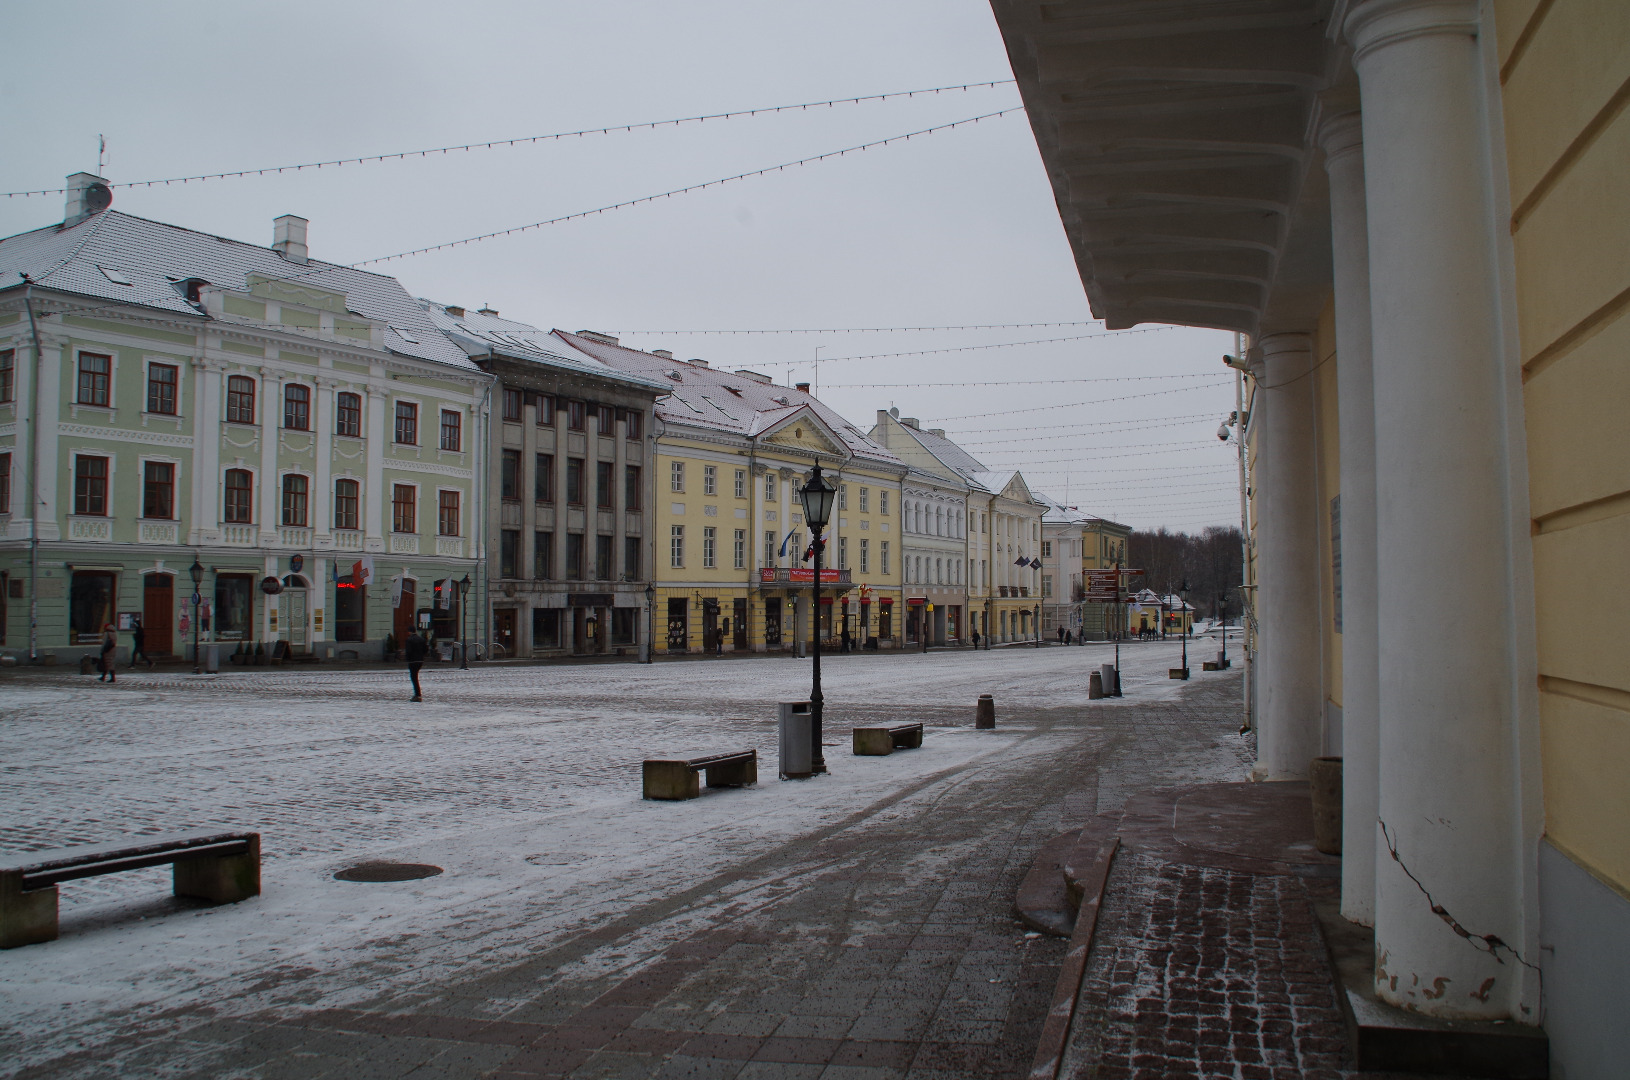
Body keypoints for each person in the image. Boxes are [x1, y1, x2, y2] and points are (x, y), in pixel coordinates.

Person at [404, 627, 428, 701]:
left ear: (409, 632)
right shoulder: (421, 639)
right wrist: (422, 656)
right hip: (420, 660)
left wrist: (407, 658)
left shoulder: (409, 640)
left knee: (413, 677)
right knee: (415, 676)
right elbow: (426, 649)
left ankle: (417, 694)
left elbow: (409, 651)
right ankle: (417, 694)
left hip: (412, 661)